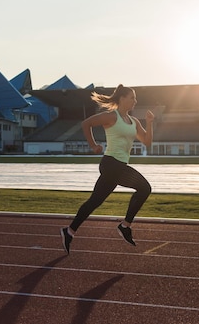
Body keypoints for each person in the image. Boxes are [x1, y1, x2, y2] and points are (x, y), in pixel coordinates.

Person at [60, 84, 154, 254]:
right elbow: (86, 123)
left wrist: (149, 123)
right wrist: (93, 145)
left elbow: (147, 142)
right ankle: (125, 226)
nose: (135, 101)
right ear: (122, 99)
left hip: (119, 166)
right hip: (111, 164)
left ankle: (69, 231)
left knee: (95, 201)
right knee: (145, 188)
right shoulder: (111, 117)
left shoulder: (134, 122)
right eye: (132, 97)